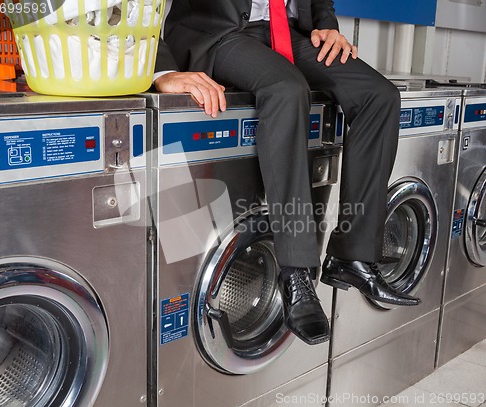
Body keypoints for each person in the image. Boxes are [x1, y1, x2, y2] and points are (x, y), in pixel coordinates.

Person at [153, 0, 421, 346]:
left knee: (380, 96)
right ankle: (296, 273)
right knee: (286, 89)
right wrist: (162, 72)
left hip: (290, 33)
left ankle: (352, 255)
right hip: (219, 33)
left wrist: (326, 25)